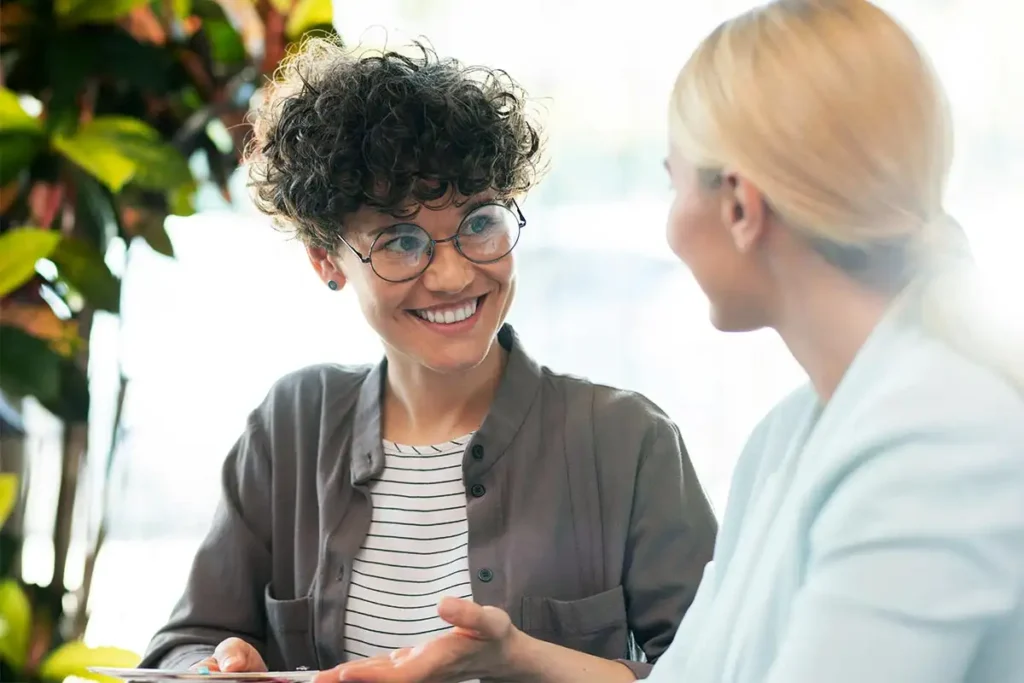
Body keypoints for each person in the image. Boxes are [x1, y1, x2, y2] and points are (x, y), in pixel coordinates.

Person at [315, 1, 1024, 682]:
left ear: (740, 207)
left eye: (674, 182)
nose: (671, 223)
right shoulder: (788, 436)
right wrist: (510, 655)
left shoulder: (938, 442)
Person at [138, 38, 718, 680]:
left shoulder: (626, 441)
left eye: (478, 223)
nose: (450, 276)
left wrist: (528, 659)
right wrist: (213, 667)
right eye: (400, 240)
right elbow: (184, 643)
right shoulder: (291, 426)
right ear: (326, 260)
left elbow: (729, 669)